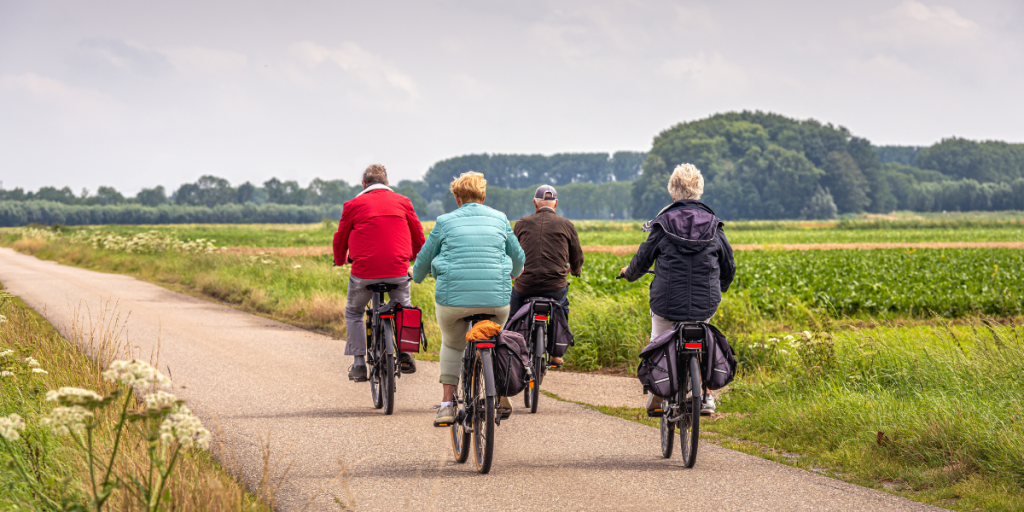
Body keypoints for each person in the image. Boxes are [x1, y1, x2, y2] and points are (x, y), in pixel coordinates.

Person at [618, 163, 735, 414]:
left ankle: (658, 391)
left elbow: (642, 260)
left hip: (666, 304)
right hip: (705, 304)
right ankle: (707, 395)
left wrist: (629, 274)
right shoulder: (714, 225)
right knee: (703, 335)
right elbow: (729, 267)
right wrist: (720, 287)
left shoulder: (662, 225)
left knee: (658, 341)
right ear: (699, 191)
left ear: (672, 193)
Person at [411, 171, 526, 426]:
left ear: (457, 198)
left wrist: (415, 275)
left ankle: (446, 405)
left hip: (453, 302)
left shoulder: (444, 222)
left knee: (453, 344)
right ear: (483, 197)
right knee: (494, 338)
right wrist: (514, 273)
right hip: (496, 300)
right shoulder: (500, 219)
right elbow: (519, 258)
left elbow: (424, 259)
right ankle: (500, 393)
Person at [334, 164, 425, 382]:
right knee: (404, 308)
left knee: (354, 312)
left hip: (364, 273)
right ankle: (405, 352)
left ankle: (358, 363)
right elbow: (418, 235)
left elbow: (340, 237)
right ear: (387, 183)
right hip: (397, 270)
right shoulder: (403, 201)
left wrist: (340, 260)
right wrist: (416, 258)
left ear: (363, 184)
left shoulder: (352, 205)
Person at [509, 184, 584, 366]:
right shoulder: (567, 225)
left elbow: (510, 253)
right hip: (555, 288)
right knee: (562, 307)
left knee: (512, 314)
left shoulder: (522, 223)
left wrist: (513, 272)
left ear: (535, 203)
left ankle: (510, 352)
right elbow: (577, 257)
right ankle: (556, 354)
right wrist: (575, 270)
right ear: (556, 203)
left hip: (525, 286)